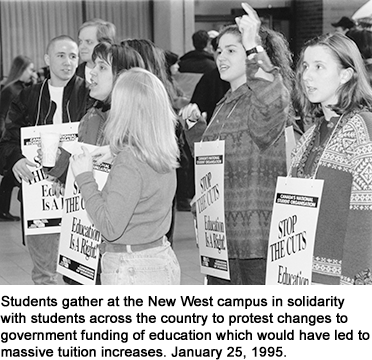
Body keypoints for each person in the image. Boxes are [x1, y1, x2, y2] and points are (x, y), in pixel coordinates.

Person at [180, 3, 293, 285]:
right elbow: (212, 163)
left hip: (254, 242)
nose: (221, 57)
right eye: (219, 50)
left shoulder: (260, 98)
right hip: (220, 238)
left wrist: (253, 44)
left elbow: (273, 97)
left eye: (232, 50)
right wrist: (195, 131)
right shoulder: (224, 104)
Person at [70, 68, 181, 285]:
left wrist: (85, 178)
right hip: (160, 257)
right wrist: (115, 152)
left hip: (130, 268)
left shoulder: (130, 161)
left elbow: (110, 227)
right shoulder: (162, 150)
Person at [0, 35, 90, 285]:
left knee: (81, 273)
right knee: (44, 274)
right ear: (48, 59)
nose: (68, 62)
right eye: (61, 55)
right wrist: (16, 159)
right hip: (39, 197)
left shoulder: (90, 93)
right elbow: (8, 138)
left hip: (80, 195)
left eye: (73, 56)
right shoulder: (28, 96)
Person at [290, 32, 372, 285]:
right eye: (305, 66)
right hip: (302, 272)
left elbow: (366, 213)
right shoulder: (312, 134)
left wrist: (356, 284)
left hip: (341, 279)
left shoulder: (363, 127)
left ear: (346, 74)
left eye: (319, 67)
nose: (306, 75)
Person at [0, 55, 36, 221]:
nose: (32, 72)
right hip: (11, 138)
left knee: (9, 177)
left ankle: (3, 210)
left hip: (14, 137)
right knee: (9, 176)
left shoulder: (16, 88)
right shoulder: (13, 90)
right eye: (30, 69)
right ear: (21, 70)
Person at [77, 18, 116, 82]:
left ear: (104, 44)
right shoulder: (72, 76)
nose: (81, 47)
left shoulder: (118, 74)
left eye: (89, 42)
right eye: (80, 42)